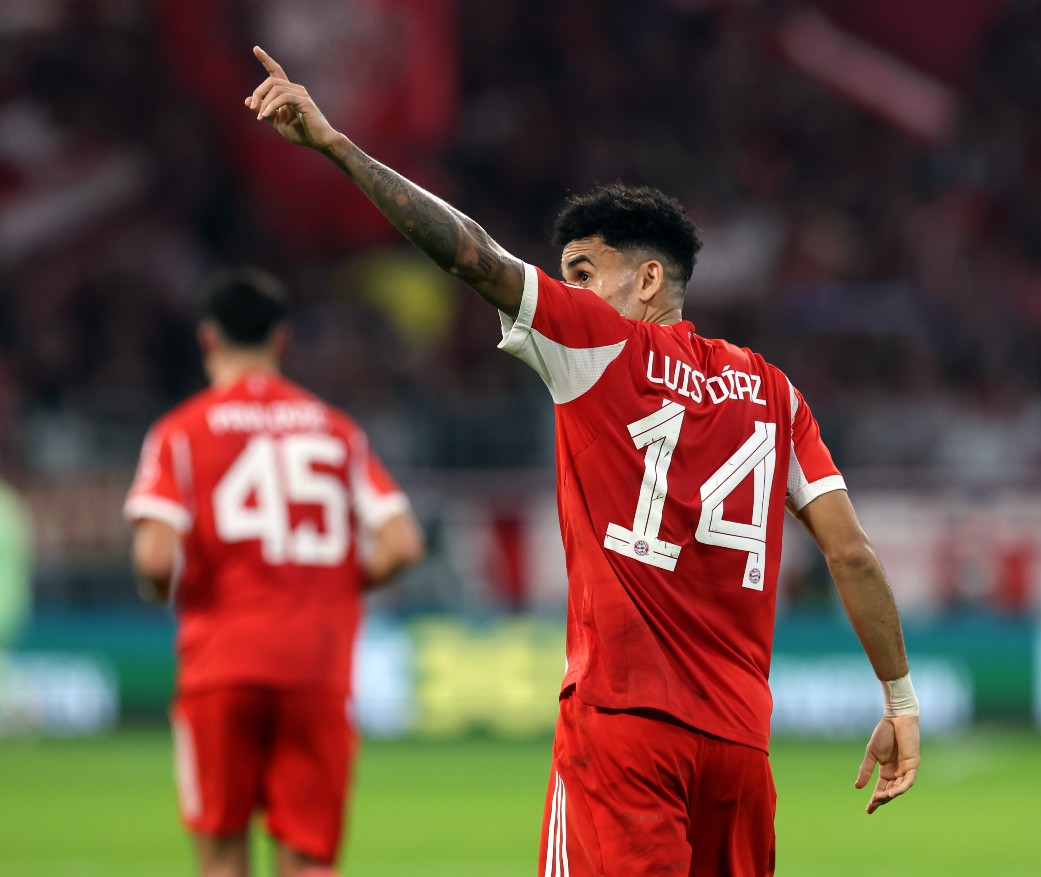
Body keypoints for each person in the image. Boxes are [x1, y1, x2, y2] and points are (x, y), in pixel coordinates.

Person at [246, 45, 919, 876]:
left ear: (645, 281)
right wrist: (898, 697)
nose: (566, 291)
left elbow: (468, 253)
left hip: (626, 728)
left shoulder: (598, 346)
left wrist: (338, 146)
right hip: (740, 750)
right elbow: (850, 550)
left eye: (581, 272)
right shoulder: (775, 392)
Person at [124, 268, 424, 877]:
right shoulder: (337, 431)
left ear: (208, 340)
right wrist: (337, 583)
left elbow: (156, 558)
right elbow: (402, 544)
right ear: (282, 341)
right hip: (316, 664)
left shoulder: (180, 432)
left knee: (221, 855)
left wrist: (164, 592)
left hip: (221, 662)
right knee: (309, 858)